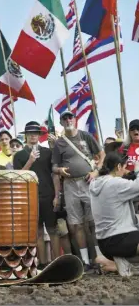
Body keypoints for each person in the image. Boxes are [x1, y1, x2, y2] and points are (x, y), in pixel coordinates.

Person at [52, 110, 105, 271]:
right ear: (61, 122)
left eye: (70, 117)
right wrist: (60, 170)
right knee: (76, 225)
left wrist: (96, 172)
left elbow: (101, 155)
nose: (68, 120)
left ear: (75, 120)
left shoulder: (85, 136)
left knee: (94, 222)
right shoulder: (59, 143)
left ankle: (99, 258)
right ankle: (85, 262)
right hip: (69, 185)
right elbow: (54, 167)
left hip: (88, 182)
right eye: (65, 118)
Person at [13, 121, 61, 263]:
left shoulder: (47, 152)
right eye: (30, 133)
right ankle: (43, 264)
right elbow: (18, 178)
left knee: (53, 230)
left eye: (36, 132)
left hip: (48, 195)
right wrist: (30, 161)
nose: (33, 135)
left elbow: (55, 174)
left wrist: (57, 195)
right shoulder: (19, 155)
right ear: (26, 135)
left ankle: (58, 262)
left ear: (39, 135)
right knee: (38, 232)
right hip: (30, 198)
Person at [90, 152, 139, 277]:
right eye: (124, 167)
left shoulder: (95, 184)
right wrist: (137, 168)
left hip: (104, 243)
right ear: (118, 167)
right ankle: (123, 262)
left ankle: (114, 261)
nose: (125, 171)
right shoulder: (115, 183)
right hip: (120, 240)